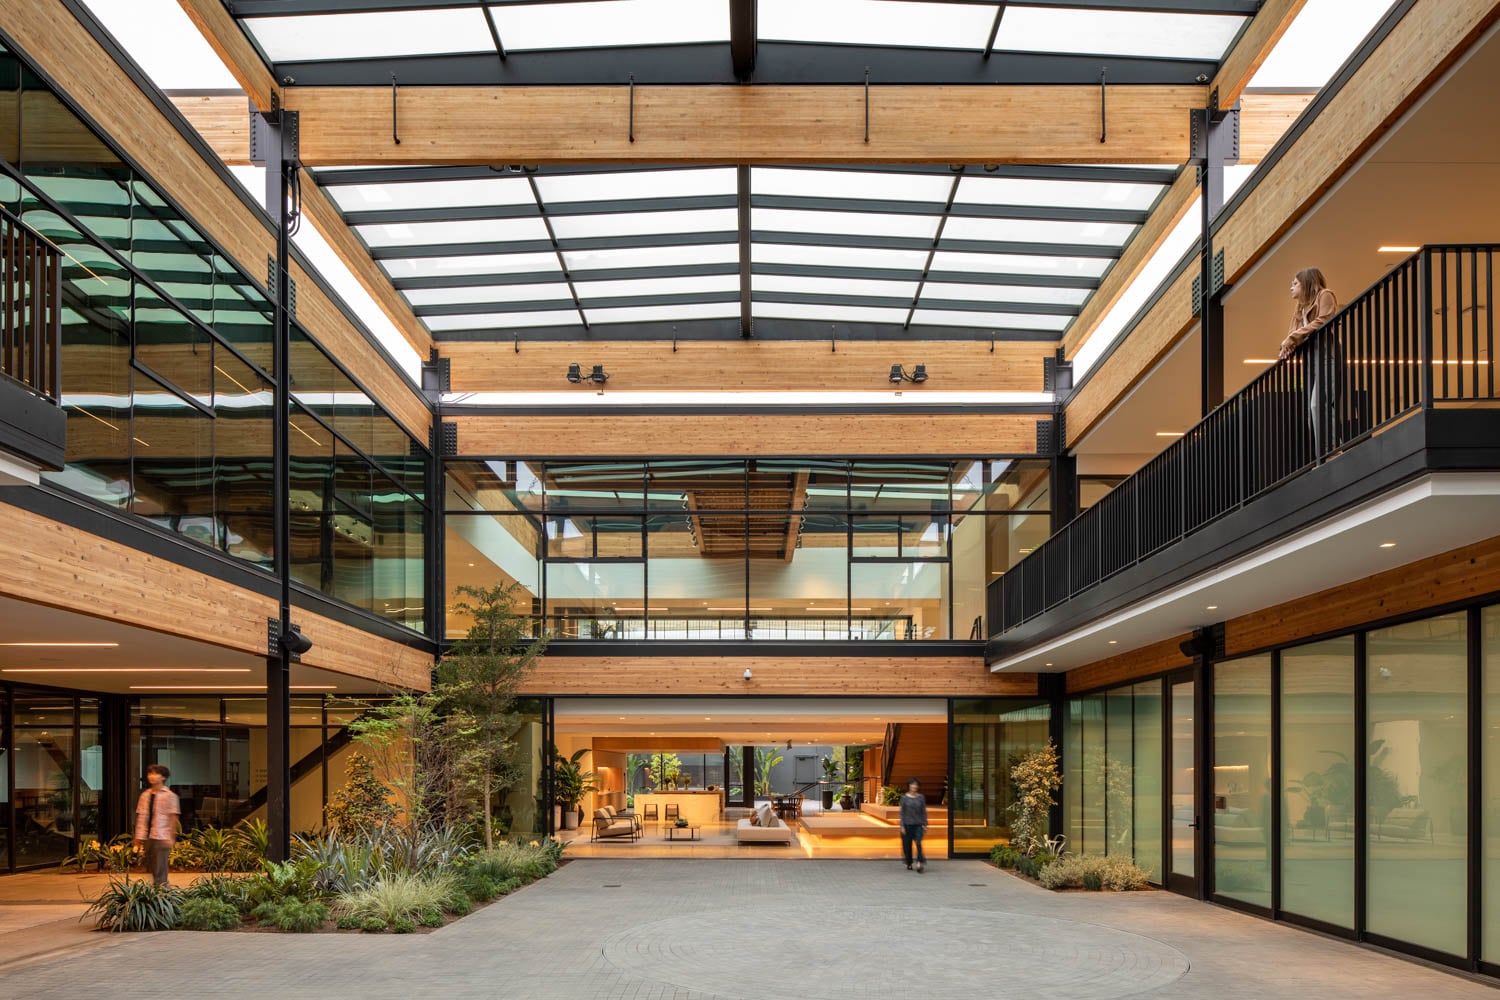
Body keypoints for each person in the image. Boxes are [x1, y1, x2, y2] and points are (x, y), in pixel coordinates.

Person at [1279, 268, 1341, 455]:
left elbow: (1322, 320)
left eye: (1295, 283)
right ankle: (1324, 453)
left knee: (1318, 404)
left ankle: (1331, 451)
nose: (1291, 287)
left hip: (1326, 355)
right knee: (1312, 410)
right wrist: (1286, 346)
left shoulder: (1325, 295)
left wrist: (1292, 338)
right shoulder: (1300, 310)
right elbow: (1291, 335)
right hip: (1311, 360)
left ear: (1306, 283)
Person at [134, 764, 180, 886]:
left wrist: (171, 837)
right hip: (148, 835)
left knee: (160, 867)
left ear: (163, 777)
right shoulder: (145, 795)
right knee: (151, 866)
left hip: (162, 835)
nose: (152, 776)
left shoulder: (170, 796)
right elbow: (141, 816)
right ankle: (159, 890)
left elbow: (173, 818)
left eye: (155, 773)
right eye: (150, 773)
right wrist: (138, 836)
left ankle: (163, 892)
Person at [899, 778, 928, 873]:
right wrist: (902, 825)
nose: (914, 786)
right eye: (912, 784)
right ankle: (909, 862)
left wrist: (925, 824)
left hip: (918, 825)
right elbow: (902, 813)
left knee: (919, 843)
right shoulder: (904, 798)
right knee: (907, 846)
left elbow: (923, 812)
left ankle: (919, 863)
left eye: (916, 785)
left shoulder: (921, 798)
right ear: (909, 786)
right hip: (907, 825)